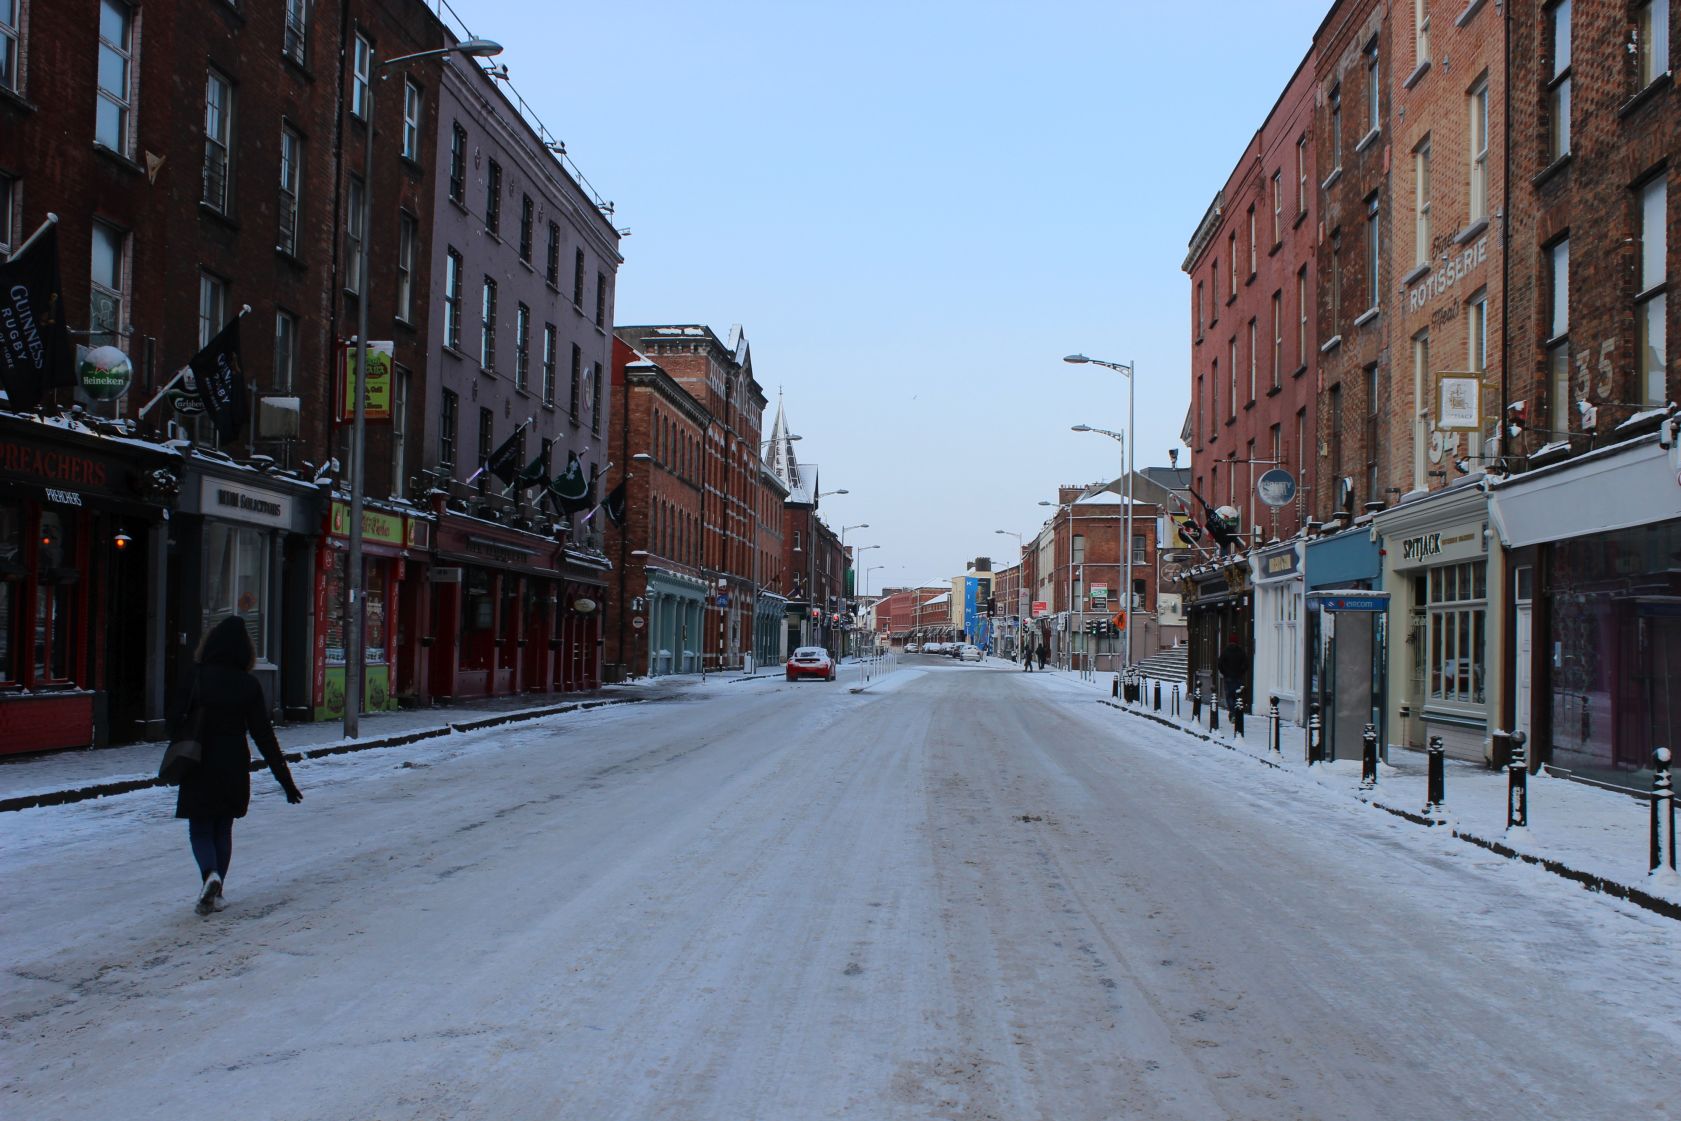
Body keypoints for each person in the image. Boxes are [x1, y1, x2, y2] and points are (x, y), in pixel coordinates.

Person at [172, 616, 302, 916]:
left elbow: (173, 719)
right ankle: (217, 891)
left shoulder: (195, 676)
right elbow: (264, 736)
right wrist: (285, 781)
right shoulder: (248, 684)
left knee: (200, 827)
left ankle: (210, 874)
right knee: (223, 827)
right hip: (233, 762)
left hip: (198, 760)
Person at [1217, 635, 1249, 714]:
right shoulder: (1241, 651)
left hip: (1228, 677)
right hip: (1238, 677)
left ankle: (1232, 711)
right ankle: (1236, 710)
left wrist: (1224, 672)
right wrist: (1241, 672)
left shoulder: (1225, 651)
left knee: (1229, 695)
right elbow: (1246, 664)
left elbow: (1220, 664)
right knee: (1237, 695)